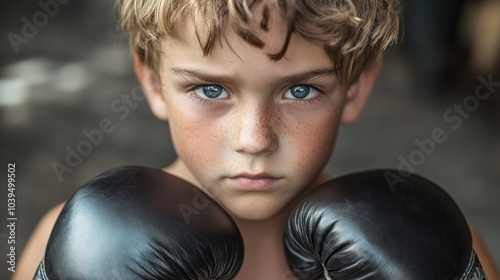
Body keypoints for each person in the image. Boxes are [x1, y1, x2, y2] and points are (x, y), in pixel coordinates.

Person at [14, 0, 500, 279]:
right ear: (153, 83)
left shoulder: (434, 250)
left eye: (301, 90)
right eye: (210, 89)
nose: (254, 140)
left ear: (355, 89)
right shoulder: (70, 245)